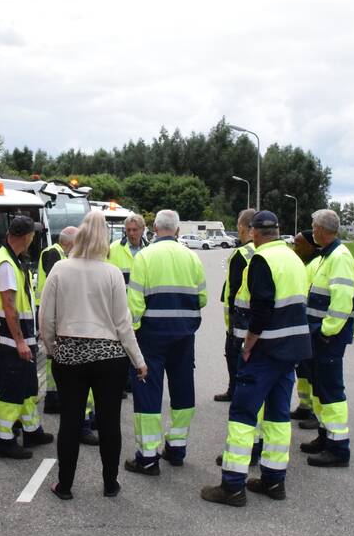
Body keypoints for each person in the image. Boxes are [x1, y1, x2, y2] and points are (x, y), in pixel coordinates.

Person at [202, 211, 311, 506]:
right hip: (289, 351)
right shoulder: (292, 258)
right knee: (277, 417)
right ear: (277, 230)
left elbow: (261, 309)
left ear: (254, 232)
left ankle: (232, 486)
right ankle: (274, 481)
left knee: (242, 415)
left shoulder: (261, 260)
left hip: (264, 351)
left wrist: (248, 345)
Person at [39, 211, 147, 500]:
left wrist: (52, 348)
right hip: (109, 357)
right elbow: (123, 323)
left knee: (70, 421)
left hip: (69, 356)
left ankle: (65, 485)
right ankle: (110, 483)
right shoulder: (111, 272)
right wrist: (138, 360)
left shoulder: (60, 269)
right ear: (105, 241)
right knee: (110, 421)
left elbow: (46, 317)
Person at [125, 209, 207, 475]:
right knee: (183, 390)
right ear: (178, 231)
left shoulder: (145, 257)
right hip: (184, 336)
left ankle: (148, 458)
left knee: (148, 392)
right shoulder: (192, 257)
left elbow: (134, 304)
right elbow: (202, 299)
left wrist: (133, 335)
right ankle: (177, 448)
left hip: (150, 336)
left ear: (153, 229)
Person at [0, 215, 54, 458]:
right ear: (26, 237)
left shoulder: (5, 259)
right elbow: (9, 306)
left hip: (9, 338)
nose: (34, 237)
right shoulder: (5, 264)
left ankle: (31, 430)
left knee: (24, 387)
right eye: (33, 234)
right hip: (12, 340)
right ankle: (5, 441)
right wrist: (21, 341)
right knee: (13, 390)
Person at [300, 209, 354, 467]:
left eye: (314, 227)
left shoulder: (340, 257)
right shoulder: (327, 255)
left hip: (328, 338)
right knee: (320, 389)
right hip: (318, 335)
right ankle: (325, 436)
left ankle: (338, 448)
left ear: (322, 230)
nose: (312, 231)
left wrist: (326, 331)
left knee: (332, 391)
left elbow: (342, 302)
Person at [214, 208, 256, 402]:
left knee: (233, 352)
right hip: (258, 313)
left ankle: (235, 389)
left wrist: (232, 319)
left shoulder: (240, 254)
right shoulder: (263, 249)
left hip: (239, 315)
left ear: (242, 227)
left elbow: (234, 290)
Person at [37, 226, 77, 415]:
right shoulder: (54, 253)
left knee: (52, 357)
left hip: (51, 309)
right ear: (68, 243)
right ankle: (53, 399)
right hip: (51, 310)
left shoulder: (56, 252)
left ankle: (54, 397)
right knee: (52, 356)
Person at [108, 212, 149, 397]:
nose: (132, 233)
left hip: (142, 308)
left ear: (142, 230)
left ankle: (136, 378)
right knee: (120, 347)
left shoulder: (150, 250)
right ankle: (122, 382)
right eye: (129, 230)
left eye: (135, 230)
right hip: (120, 306)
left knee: (139, 344)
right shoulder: (114, 248)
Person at [290, 230, 319, 428]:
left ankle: (315, 414)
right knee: (302, 369)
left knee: (314, 372)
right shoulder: (306, 263)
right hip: (303, 326)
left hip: (312, 327)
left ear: (311, 246)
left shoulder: (316, 265)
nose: (295, 248)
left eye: (299, 244)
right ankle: (305, 405)